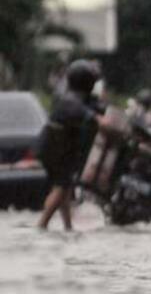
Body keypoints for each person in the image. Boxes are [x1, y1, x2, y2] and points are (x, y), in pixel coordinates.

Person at [37, 59, 106, 231]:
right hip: (55, 150)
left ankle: (67, 226)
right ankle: (42, 224)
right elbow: (97, 120)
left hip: (57, 148)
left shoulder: (72, 95)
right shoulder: (71, 101)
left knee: (66, 188)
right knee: (61, 186)